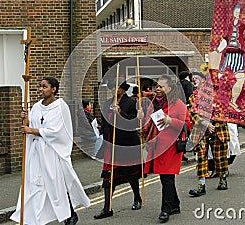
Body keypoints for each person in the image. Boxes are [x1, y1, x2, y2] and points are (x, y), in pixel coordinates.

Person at [10, 77, 90, 225]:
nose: (41, 89)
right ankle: (34, 218)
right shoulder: (36, 107)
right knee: (36, 184)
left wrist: (32, 129)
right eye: (40, 86)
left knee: (55, 184)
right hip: (36, 153)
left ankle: (70, 213)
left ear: (53, 89)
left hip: (52, 152)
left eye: (44, 86)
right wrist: (26, 118)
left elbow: (57, 131)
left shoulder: (61, 107)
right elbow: (29, 126)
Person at [143, 74, 191, 223]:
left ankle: (166, 209)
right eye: (157, 86)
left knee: (167, 177)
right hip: (157, 145)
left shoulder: (178, 105)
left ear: (169, 89)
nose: (157, 89)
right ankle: (175, 204)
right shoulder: (154, 104)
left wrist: (170, 120)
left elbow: (187, 125)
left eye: (161, 86)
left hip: (171, 146)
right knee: (165, 177)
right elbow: (148, 122)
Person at [94, 79, 143, 219]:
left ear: (122, 89)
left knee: (131, 174)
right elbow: (105, 121)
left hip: (126, 144)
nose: (112, 90)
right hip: (111, 144)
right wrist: (101, 127)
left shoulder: (131, 103)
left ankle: (137, 198)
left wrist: (120, 113)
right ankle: (107, 208)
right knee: (109, 177)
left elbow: (133, 122)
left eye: (115, 87)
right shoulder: (107, 103)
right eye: (111, 87)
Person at [212, 4, 245, 112]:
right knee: (220, 77)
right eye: (236, 11)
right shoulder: (229, 27)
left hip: (238, 56)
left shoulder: (244, 28)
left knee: (241, 79)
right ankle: (218, 100)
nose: (237, 14)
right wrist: (218, 50)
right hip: (228, 55)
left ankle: (233, 100)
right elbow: (225, 40)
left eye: (240, 12)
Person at [188, 70, 230, 197]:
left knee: (220, 157)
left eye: (196, 78)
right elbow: (192, 114)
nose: (194, 80)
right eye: (192, 79)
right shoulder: (193, 97)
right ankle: (201, 185)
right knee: (201, 158)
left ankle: (223, 178)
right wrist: (206, 124)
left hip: (218, 129)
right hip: (201, 131)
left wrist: (214, 121)